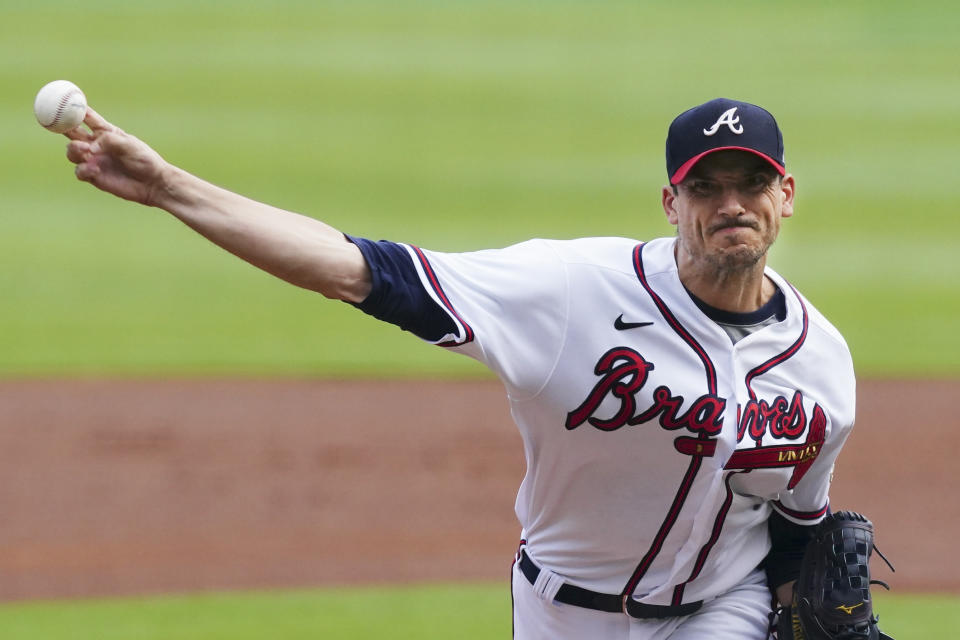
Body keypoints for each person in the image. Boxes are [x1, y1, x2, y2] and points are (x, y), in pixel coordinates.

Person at [62, 98, 857, 639]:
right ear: (669, 201)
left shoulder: (819, 362)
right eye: (705, 187)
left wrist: (799, 596)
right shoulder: (571, 290)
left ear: (784, 195)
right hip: (560, 613)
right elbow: (355, 270)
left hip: (719, 611)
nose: (731, 205)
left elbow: (796, 526)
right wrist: (170, 188)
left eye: (752, 184)